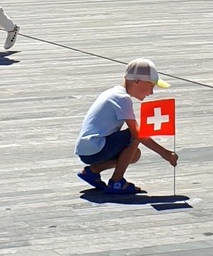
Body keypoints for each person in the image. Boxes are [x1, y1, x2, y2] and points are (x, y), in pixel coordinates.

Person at [74, 58, 178, 194]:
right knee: (134, 136)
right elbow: (137, 133)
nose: (151, 92)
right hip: (95, 148)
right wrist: (165, 154)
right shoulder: (122, 98)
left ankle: (92, 171)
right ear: (137, 81)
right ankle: (116, 182)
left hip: (87, 149)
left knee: (134, 155)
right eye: (151, 86)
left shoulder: (114, 92)